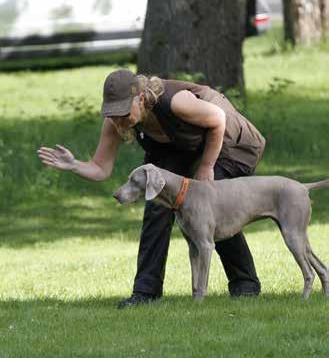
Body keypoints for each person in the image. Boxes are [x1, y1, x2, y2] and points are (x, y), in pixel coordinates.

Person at [37, 68, 266, 308]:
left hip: (229, 141)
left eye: (123, 112)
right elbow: (100, 168)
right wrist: (74, 165)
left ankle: (245, 285)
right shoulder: (117, 119)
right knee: (156, 206)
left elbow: (218, 119)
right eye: (113, 113)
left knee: (209, 207)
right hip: (180, 147)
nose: (118, 119)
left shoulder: (175, 102)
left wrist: (207, 166)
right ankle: (146, 292)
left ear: (142, 99)